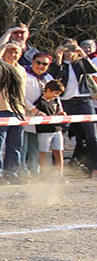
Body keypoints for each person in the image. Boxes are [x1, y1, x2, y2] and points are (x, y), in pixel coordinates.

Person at [51, 39, 97, 178]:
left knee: (92, 136)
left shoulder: (80, 62)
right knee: (60, 135)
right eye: (66, 48)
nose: (69, 51)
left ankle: (93, 168)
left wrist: (82, 53)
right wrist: (58, 59)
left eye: (72, 48)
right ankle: (56, 169)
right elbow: (55, 79)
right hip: (65, 102)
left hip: (83, 100)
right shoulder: (58, 64)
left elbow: (93, 70)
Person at [0, 42, 28, 185]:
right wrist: (3, 47)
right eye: (9, 51)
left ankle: (11, 172)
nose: (13, 55)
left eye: (16, 52)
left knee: (15, 145)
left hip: (17, 112)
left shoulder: (21, 70)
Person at [32, 80, 66, 180]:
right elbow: (39, 117)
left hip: (57, 129)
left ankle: (60, 173)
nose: (57, 96)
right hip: (44, 131)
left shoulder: (56, 101)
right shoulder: (39, 103)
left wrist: (60, 114)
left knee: (58, 151)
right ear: (48, 90)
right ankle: (42, 173)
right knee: (43, 152)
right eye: (56, 93)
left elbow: (59, 110)